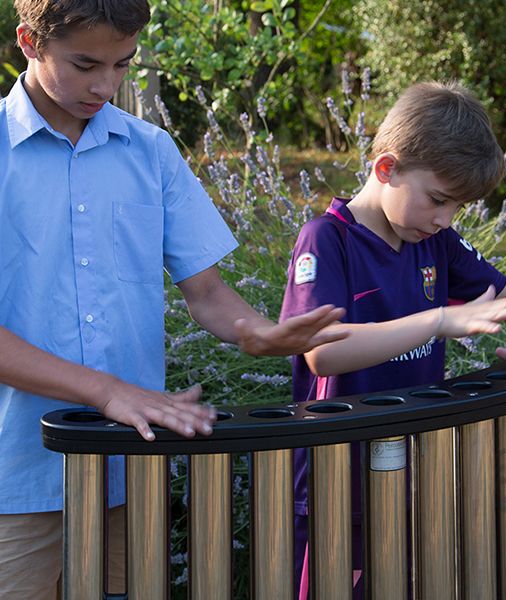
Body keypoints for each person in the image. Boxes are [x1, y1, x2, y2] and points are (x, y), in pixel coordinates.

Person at [0, 1, 350, 598]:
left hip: (129, 474)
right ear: (29, 41)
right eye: (86, 64)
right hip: (14, 477)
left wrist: (253, 332)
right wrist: (111, 391)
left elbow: (207, 291)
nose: (106, 86)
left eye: (123, 64)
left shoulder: (151, 150)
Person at [280, 81, 506, 599]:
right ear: (387, 169)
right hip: (336, 480)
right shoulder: (325, 239)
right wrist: (437, 322)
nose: (446, 219)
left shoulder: (437, 242)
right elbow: (324, 353)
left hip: (409, 469)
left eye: (458, 208)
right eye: (439, 200)